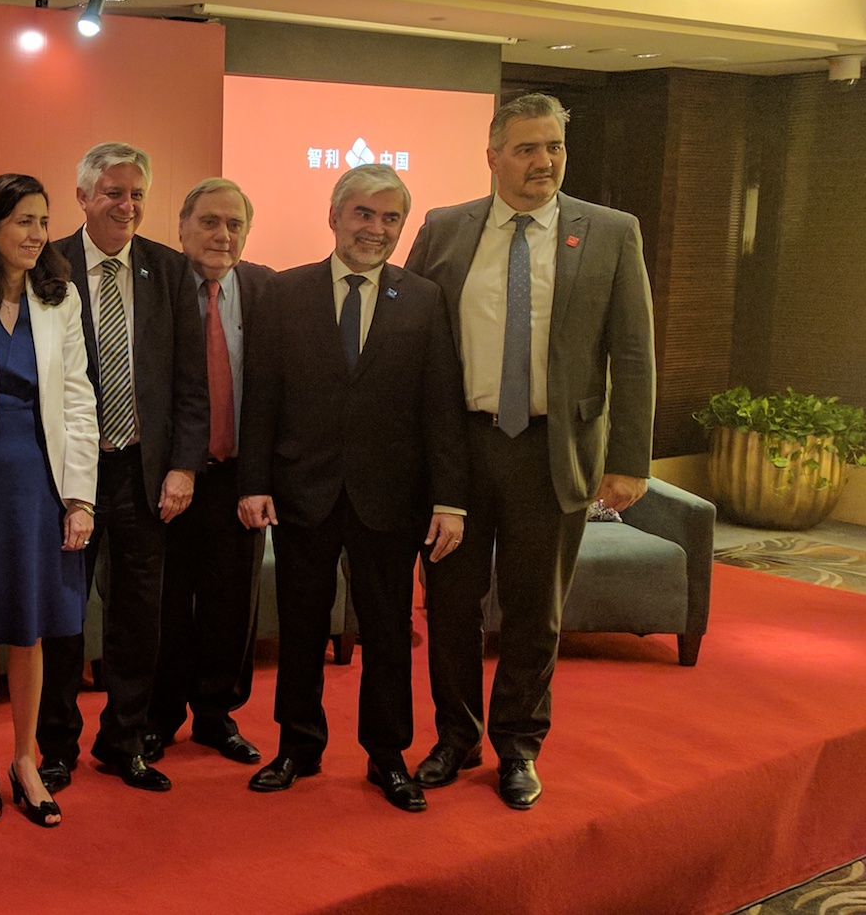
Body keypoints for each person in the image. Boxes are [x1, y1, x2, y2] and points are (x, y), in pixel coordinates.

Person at [404, 92, 655, 810]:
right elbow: (411, 335)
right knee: (449, 604)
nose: (544, 161)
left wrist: (629, 460)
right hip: (458, 450)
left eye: (554, 147)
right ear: (493, 157)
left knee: (534, 610)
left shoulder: (610, 233)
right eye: (526, 148)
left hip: (553, 451)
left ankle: (518, 746)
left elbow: (634, 351)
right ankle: (456, 737)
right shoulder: (445, 227)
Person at [237, 164, 468, 813]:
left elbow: (440, 407)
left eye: (390, 218)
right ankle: (297, 746)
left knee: (388, 633)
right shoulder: (285, 292)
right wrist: (254, 481)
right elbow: (262, 396)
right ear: (335, 216)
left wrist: (449, 498)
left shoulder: (423, 299)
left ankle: (387, 754)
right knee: (301, 628)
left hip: (390, 499)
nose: (376, 228)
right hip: (303, 490)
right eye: (364, 213)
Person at [37, 142, 207, 794]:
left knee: (139, 618)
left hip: (145, 471)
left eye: (137, 194)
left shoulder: (170, 269)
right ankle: (56, 746)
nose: (127, 206)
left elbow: (190, 382)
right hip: (70, 476)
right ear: (83, 196)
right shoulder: (48, 265)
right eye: (113, 192)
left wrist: (184, 466)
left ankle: (125, 740)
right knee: (63, 617)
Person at [0, 173, 98, 828]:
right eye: (24, 221)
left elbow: (79, 398)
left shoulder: (60, 297)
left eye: (43, 221)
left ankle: (25, 758)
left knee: (32, 630)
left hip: (42, 482)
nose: (37, 235)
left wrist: (81, 498)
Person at [148, 178, 273, 766]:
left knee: (231, 603)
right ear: (181, 227)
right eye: (210, 222)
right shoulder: (156, 286)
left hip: (240, 476)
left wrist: (262, 477)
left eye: (234, 224)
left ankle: (217, 715)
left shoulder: (267, 290)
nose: (223, 235)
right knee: (167, 602)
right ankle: (159, 716)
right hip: (171, 476)